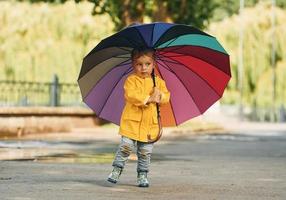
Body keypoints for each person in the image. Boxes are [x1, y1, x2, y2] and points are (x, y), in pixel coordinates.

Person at [107, 48, 170, 187]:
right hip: (131, 123)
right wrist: (148, 98)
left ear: (154, 64)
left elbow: (166, 97)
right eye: (139, 64)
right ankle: (117, 169)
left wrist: (159, 96)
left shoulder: (158, 82)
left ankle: (142, 174)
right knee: (125, 146)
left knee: (145, 152)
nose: (143, 68)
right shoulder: (131, 80)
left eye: (148, 64)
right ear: (133, 64)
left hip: (149, 125)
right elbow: (131, 95)